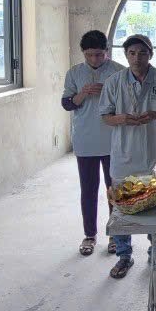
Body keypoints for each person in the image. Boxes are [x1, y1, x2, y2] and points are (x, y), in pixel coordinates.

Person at [98, 34, 156, 279]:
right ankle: (124, 255)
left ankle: (155, 252)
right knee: (122, 207)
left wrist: (154, 115)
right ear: (126, 55)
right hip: (124, 154)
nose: (137, 58)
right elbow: (105, 116)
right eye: (132, 53)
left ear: (150, 55)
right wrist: (122, 118)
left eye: (142, 53)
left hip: (154, 155)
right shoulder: (114, 82)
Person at [61, 30, 127, 257]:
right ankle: (89, 235)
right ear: (83, 53)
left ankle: (116, 235)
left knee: (115, 190)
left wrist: (107, 93)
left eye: (99, 54)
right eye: (89, 55)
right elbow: (67, 104)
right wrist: (82, 94)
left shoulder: (119, 72)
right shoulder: (74, 73)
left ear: (107, 51)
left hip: (113, 139)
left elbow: (129, 104)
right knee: (88, 190)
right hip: (85, 139)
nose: (94, 59)